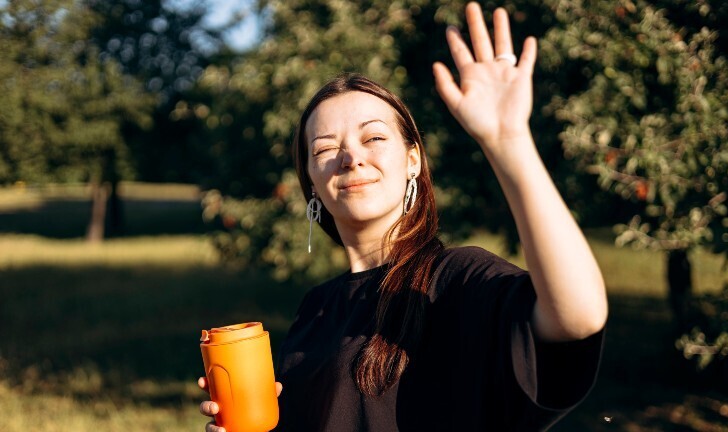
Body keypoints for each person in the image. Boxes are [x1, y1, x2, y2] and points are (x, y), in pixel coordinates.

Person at [199, 2, 607, 431]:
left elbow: (578, 316)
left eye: (373, 137)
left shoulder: (455, 280)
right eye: (323, 149)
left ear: (413, 160)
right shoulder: (315, 310)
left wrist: (509, 141)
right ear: (312, 183)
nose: (351, 157)